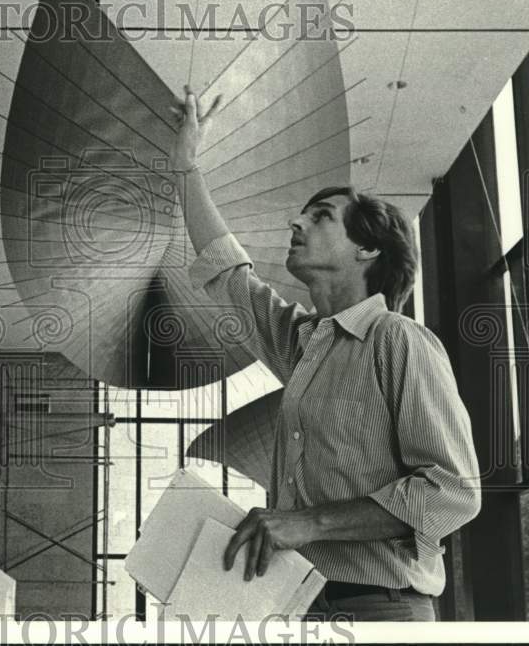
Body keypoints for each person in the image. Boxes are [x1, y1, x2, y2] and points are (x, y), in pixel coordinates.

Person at [169, 85, 481, 622]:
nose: (297, 224)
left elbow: (453, 491)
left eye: (320, 217)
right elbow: (227, 269)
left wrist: (309, 523)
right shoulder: (301, 344)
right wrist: (185, 166)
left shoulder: (398, 341)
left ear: (368, 248)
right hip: (297, 605)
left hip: (382, 610)